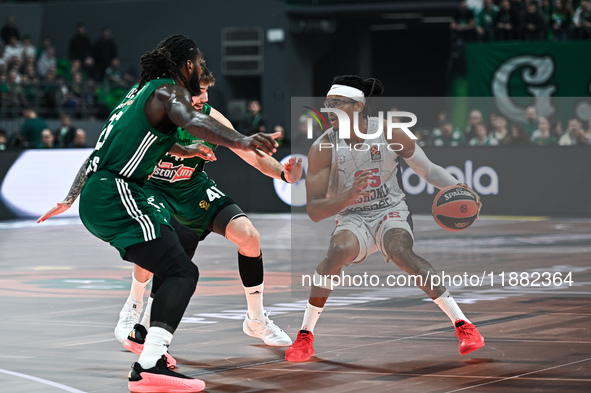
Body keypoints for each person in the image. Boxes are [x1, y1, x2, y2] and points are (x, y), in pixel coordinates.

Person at [37, 34, 279, 393]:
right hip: (118, 191)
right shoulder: (170, 92)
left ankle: (148, 347)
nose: (200, 68)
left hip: (103, 192)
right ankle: (148, 360)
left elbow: (106, 150)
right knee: (182, 271)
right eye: (196, 61)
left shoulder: (139, 93)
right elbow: (190, 118)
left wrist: (71, 197)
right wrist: (240, 140)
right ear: (186, 66)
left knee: (174, 262)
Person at [284, 75, 485, 363]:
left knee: (400, 250)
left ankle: (464, 325)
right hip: (352, 215)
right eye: (327, 104)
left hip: (390, 210)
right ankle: (305, 335)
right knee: (337, 252)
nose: (328, 110)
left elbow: (429, 170)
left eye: (336, 104)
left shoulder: (390, 132)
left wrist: (460, 188)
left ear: (356, 106)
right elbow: (315, 211)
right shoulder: (323, 147)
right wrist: (349, 197)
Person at [115, 62, 301, 359]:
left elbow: (249, 153)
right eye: (199, 92)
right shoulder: (154, 114)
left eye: (207, 93)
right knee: (158, 246)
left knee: (249, 237)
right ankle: (134, 307)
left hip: (191, 186)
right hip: (152, 188)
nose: (204, 99)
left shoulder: (211, 118)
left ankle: (256, 320)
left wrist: (283, 174)